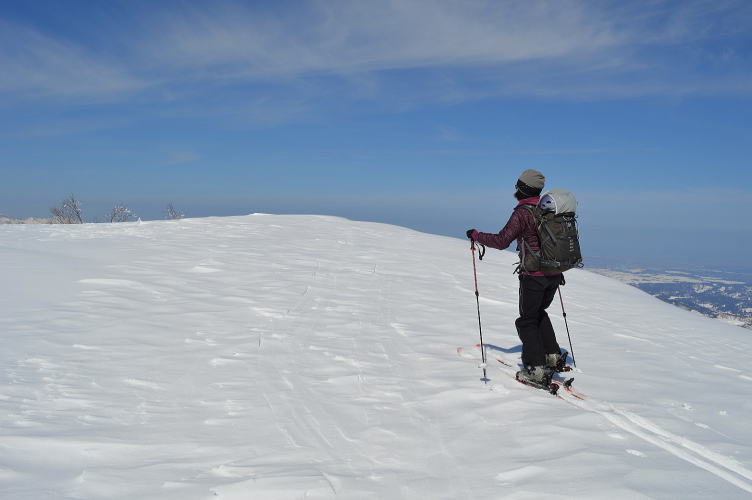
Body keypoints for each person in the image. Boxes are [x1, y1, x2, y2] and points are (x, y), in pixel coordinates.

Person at [466, 169, 566, 388]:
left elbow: (502, 241)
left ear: (522, 188)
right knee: (539, 313)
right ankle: (552, 356)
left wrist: (475, 235)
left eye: (517, 186)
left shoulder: (523, 212)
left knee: (527, 320)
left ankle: (536, 369)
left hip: (534, 275)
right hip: (554, 274)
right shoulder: (548, 209)